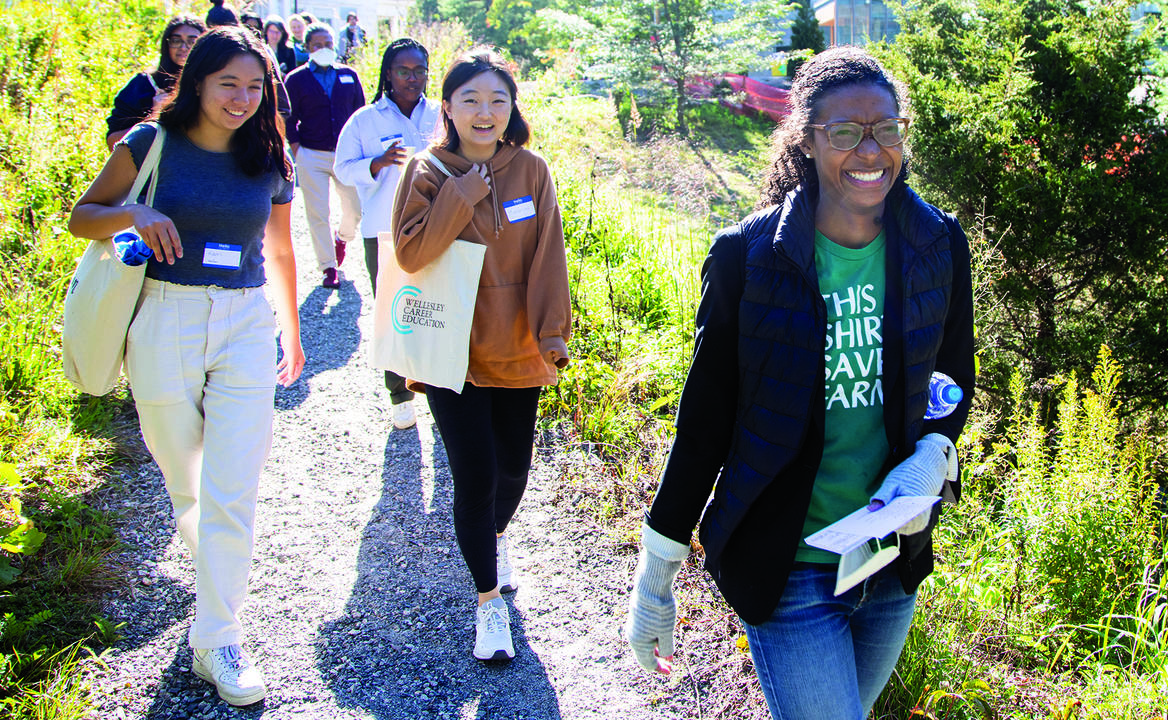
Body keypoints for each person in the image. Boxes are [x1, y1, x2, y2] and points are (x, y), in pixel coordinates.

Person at [624, 46, 974, 719]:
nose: (870, 150)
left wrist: (934, 453)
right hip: (789, 569)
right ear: (807, 142)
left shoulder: (937, 244)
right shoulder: (749, 259)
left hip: (891, 560)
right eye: (844, 132)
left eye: (887, 128)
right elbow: (704, 426)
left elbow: (952, 376)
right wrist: (658, 572)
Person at [68, 26, 303, 707]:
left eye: (255, 86)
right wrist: (134, 214)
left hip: (243, 323)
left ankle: (218, 637)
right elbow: (82, 217)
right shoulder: (149, 143)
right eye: (228, 83)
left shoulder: (268, 152)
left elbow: (281, 252)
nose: (242, 98)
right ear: (196, 80)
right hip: (163, 318)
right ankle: (213, 595)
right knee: (188, 483)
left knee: (232, 487)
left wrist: (289, 329)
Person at [391, 47, 570, 662]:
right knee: (474, 477)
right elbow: (412, 255)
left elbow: (549, 253)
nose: (485, 111)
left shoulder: (532, 170)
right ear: (448, 108)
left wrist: (553, 332)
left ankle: (490, 538)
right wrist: (462, 194)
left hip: (517, 345)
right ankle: (488, 603)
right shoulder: (425, 170)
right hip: (451, 351)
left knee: (514, 472)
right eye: (470, 99)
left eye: (497, 99)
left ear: (512, 106)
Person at [334, 39, 440, 430]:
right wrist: (375, 163)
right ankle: (400, 394)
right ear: (388, 75)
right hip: (384, 231)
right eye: (403, 71)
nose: (412, 78)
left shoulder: (441, 115)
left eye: (419, 71)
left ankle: (439, 391)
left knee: (437, 308)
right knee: (394, 314)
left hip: (437, 228)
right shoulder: (366, 120)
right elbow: (342, 168)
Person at [284, 23, 364, 289]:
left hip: (345, 156)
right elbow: (287, 117)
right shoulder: (296, 80)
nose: (324, 49)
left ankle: (342, 237)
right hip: (312, 154)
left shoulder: (349, 75)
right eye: (317, 45)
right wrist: (297, 150)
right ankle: (328, 267)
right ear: (307, 48)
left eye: (328, 43)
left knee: (355, 208)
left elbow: (360, 115)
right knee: (318, 212)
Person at [104, 15, 205, 148]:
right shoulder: (144, 84)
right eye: (176, 40)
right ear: (166, 44)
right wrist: (154, 117)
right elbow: (113, 142)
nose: (183, 47)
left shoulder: (213, 84)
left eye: (192, 41)